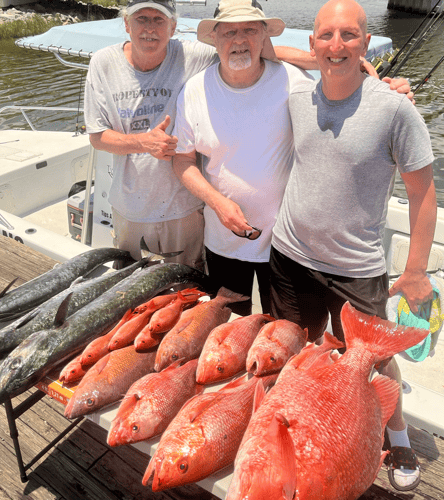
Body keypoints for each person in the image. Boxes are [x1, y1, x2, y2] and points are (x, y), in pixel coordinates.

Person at [269, 0, 437, 491]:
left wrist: (416, 270)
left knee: (375, 362)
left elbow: (423, 192)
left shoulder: (395, 109)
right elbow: (263, 54)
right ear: (312, 43)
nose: (336, 45)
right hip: (290, 256)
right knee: (297, 351)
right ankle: (306, 427)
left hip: (356, 266)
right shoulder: (298, 100)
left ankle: (398, 436)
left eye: (348, 35)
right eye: (326, 35)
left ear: (367, 44)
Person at [83, 0, 317, 269]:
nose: (150, 28)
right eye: (141, 19)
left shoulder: (193, 55)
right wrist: (142, 142)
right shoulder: (103, 63)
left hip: (185, 210)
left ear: (173, 27)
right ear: (126, 24)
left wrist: (324, 62)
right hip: (130, 208)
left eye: (159, 20)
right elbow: (97, 137)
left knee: (187, 289)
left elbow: (255, 50)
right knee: (130, 292)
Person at [172, 0, 317, 315]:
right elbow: (182, 161)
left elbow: (338, 117)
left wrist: (382, 88)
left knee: (284, 333)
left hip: (285, 244)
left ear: (264, 36)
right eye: (229, 32)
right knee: (228, 334)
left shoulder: (295, 82)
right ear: (215, 39)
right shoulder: (194, 90)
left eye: (249, 30)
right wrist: (218, 204)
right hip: (222, 239)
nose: (239, 40)